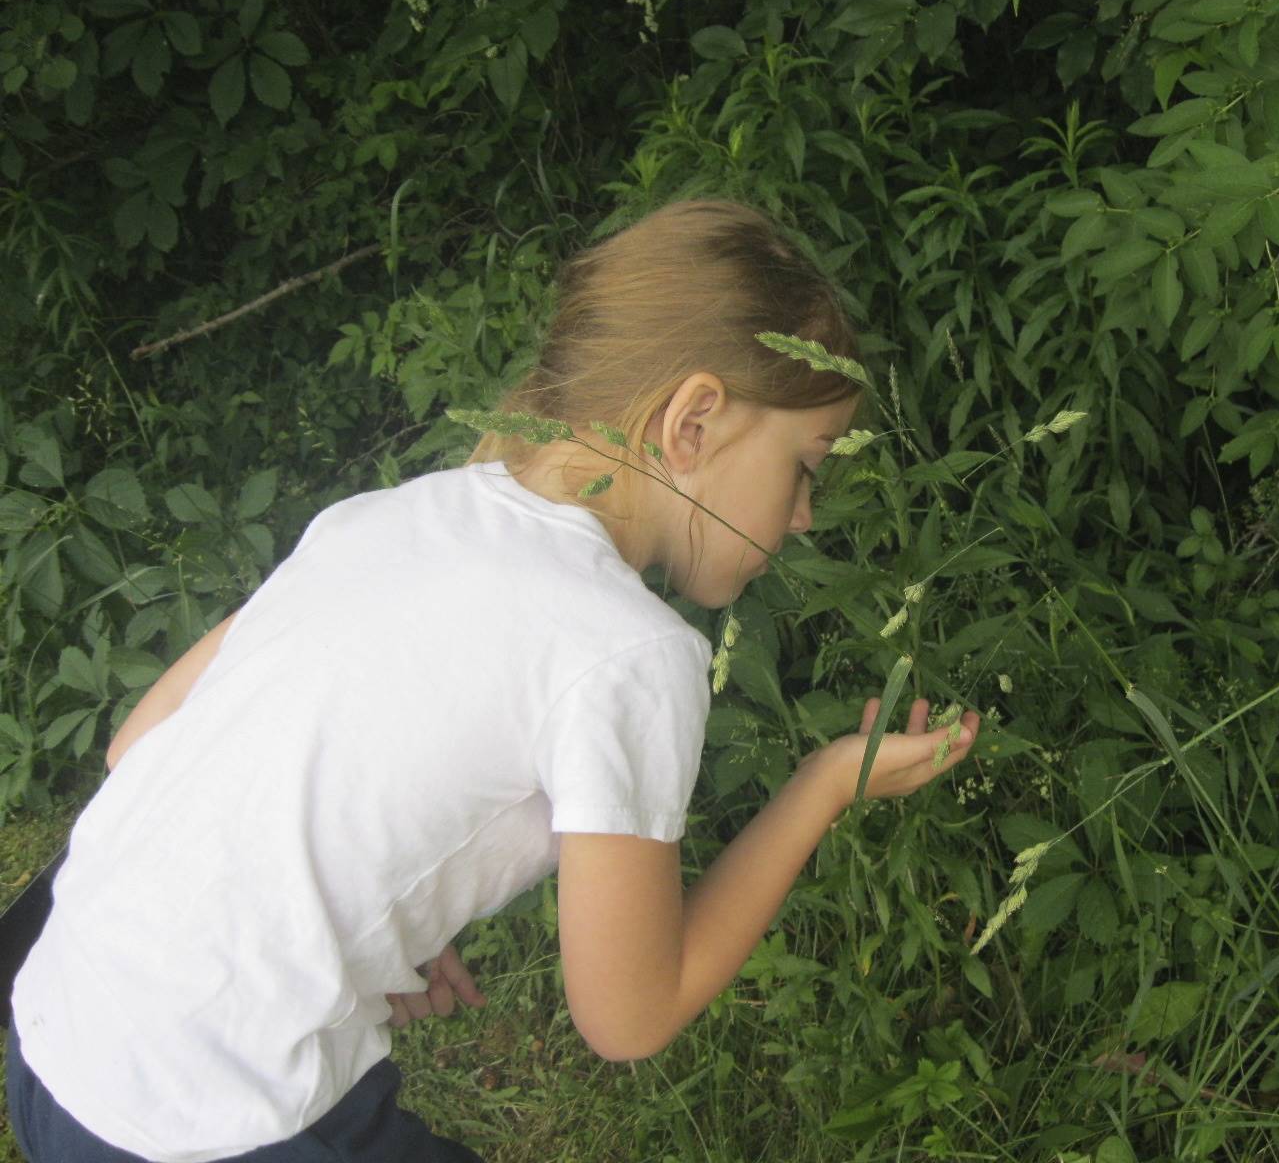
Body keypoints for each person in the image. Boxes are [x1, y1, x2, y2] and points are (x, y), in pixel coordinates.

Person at [4, 198, 981, 1162]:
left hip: (57, 1035)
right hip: (209, 1116)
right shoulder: (629, 655)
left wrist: (355, 916)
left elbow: (140, 744)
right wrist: (824, 785)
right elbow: (632, 1017)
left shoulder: (396, 515)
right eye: (805, 465)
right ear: (694, 422)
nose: (805, 514)